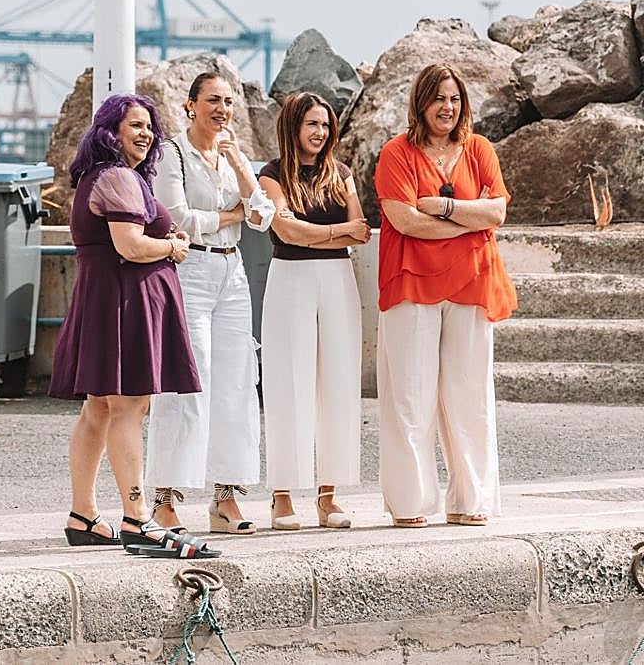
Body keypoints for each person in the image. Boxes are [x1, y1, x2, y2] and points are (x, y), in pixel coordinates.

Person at [50, 93, 220, 560]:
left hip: (105, 299)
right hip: (123, 302)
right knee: (129, 409)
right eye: (135, 126)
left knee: (99, 411)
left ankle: (82, 515)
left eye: (150, 127)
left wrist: (163, 241)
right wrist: (172, 248)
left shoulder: (97, 178)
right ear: (111, 130)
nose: (145, 134)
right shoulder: (119, 177)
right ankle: (138, 519)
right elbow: (129, 245)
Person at [374, 62, 517, 528]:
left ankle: (470, 498)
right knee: (410, 397)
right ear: (421, 103)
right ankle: (410, 503)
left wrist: (446, 206)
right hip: (411, 283)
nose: (448, 107)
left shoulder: (479, 150)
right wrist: (466, 221)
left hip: (473, 283)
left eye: (454, 98)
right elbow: (404, 221)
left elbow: (495, 214)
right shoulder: (396, 153)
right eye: (438, 98)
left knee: (469, 393)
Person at [146, 73, 275, 535]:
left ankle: (226, 498)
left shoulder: (232, 155)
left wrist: (241, 168)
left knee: (238, 383)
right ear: (190, 105)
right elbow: (176, 217)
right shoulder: (171, 153)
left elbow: (262, 217)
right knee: (186, 381)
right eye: (213, 100)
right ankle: (164, 498)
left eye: (228, 101)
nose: (222, 109)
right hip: (190, 271)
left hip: (232, 272)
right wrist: (229, 216)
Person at [258, 92, 369, 531]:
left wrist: (320, 234)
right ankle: (282, 494)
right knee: (288, 381)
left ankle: (329, 494)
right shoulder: (271, 174)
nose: (320, 132)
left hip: (338, 279)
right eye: (311, 125)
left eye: (325, 124)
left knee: (338, 381)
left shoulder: (341, 173)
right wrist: (335, 231)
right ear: (292, 128)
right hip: (290, 279)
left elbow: (360, 232)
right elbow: (284, 229)